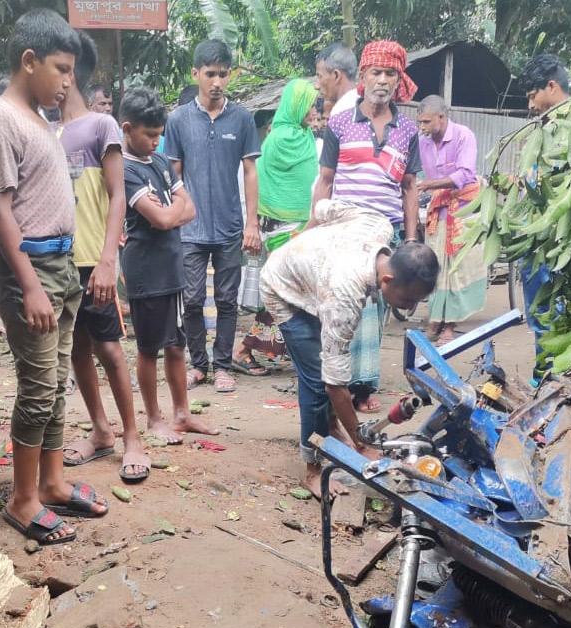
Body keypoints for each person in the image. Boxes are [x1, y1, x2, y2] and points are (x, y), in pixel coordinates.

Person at [0, 9, 106, 546]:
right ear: (28, 62)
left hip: (61, 266)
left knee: (55, 385)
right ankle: (22, 498)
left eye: (71, 70)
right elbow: (0, 209)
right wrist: (28, 284)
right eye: (60, 68)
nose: (67, 81)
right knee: (36, 389)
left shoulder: (38, 117)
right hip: (29, 269)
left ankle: (51, 483)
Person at [261, 200, 438, 498]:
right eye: (407, 300)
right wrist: (363, 444)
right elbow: (334, 386)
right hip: (283, 288)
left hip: (315, 281)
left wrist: (310, 247)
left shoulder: (377, 223)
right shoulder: (344, 296)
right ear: (387, 280)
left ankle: (331, 430)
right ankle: (314, 470)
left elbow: (322, 208)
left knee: (326, 367)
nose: (410, 308)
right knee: (316, 383)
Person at [308, 40, 422, 415]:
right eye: (376, 72)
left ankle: (364, 388)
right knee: (344, 305)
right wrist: (314, 226)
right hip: (344, 227)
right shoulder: (340, 122)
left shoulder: (407, 129)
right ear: (363, 77)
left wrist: (408, 238)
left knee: (376, 309)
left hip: (385, 231)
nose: (383, 80)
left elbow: (409, 187)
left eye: (391, 73)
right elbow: (325, 180)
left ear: (398, 79)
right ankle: (338, 382)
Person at [58, 32, 150, 483]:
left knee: (110, 348)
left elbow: (118, 194)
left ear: (70, 70)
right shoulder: (44, 127)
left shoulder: (101, 126)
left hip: (95, 256)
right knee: (77, 347)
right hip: (59, 260)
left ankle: (132, 436)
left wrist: (109, 258)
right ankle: (100, 430)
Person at [120, 87, 219, 444]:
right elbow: (162, 219)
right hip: (146, 271)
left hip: (172, 266)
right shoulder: (125, 169)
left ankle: (182, 413)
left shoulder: (161, 163)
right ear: (127, 128)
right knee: (148, 347)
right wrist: (172, 212)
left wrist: (171, 213)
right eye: (149, 135)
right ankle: (153, 418)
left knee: (176, 344)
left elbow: (188, 209)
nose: (155, 142)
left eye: (159, 135)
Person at [163, 39, 261, 394]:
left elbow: (250, 171)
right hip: (189, 227)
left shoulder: (242, 118)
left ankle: (222, 365)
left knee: (226, 299)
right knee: (190, 299)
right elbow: (172, 172)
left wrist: (252, 223)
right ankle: (198, 364)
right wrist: (172, 218)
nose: (217, 81)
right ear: (196, 74)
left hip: (230, 226)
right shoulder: (178, 119)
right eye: (210, 74)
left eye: (223, 74)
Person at [236, 79, 320, 373]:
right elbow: (261, 180)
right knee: (286, 294)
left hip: (305, 225)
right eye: (309, 103)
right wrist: (255, 224)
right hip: (280, 229)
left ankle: (286, 353)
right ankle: (245, 349)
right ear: (296, 106)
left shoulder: (307, 136)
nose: (314, 109)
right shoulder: (278, 139)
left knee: (293, 295)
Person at [415, 94, 484, 344]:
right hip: (438, 207)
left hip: (463, 208)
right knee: (435, 263)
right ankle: (435, 318)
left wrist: (430, 184)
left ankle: (450, 325)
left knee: (456, 266)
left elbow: (465, 174)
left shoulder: (464, 136)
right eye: (419, 122)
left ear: (441, 118)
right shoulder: (422, 142)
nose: (422, 127)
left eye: (425, 122)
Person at [517, 54, 571, 359]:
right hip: (536, 240)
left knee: (560, 310)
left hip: (562, 239)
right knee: (539, 310)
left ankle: (560, 374)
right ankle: (543, 371)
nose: (529, 105)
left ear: (551, 86)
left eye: (532, 95)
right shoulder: (541, 130)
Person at [314, 42, 359, 119]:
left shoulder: (341, 114)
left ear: (336, 75)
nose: (316, 86)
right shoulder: (366, 106)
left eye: (320, 76)